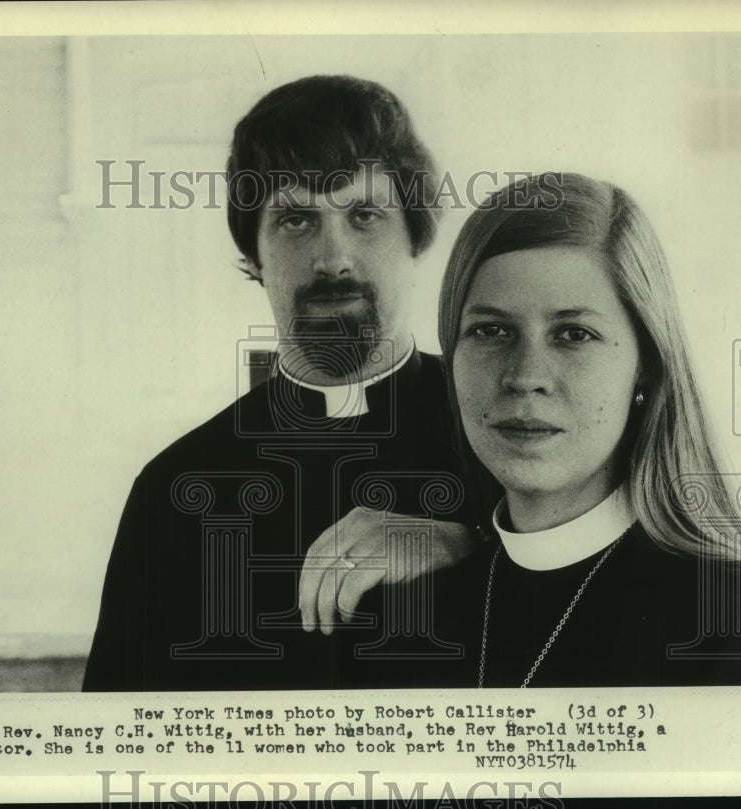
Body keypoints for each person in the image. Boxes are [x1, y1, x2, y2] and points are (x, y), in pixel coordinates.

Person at [82, 75, 473, 691]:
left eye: (365, 215)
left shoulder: (516, 440)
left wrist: (468, 546)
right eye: (295, 221)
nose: (333, 258)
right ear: (256, 256)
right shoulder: (174, 491)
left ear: (415, 239)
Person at [346, 172, 741, 688]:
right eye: (491, 331)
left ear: (645, 362)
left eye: (574, 334)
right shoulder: (404, 611)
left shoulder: (736, 623)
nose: (525, 377)